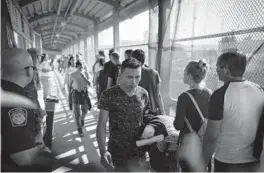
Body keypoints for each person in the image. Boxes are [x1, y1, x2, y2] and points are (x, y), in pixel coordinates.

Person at [96, 58, 168, 172]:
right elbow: (101, 124)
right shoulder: (109, 95)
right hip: (118, 154)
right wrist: (102, 151)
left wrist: (153, 127)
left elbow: (146, 116)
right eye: (130, 77)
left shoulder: (144, 93)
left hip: (141, 153)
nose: (134, 81)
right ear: (120, 74)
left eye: (137, 77)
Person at [203, 51, 264, 172]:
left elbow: (211, 137)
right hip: (255, 163)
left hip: (227, 162)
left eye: (217, 67)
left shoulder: (219, 95)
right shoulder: (260, 90)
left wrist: (203, 162)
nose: (216, 71)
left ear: (225, 70)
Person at [1, 48, 53, 172]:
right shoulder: (16, 105)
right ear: (29, 71)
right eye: (33, 68)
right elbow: (25, 159)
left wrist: (37, 124)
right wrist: (47, 153)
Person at [173, 59, 211, 171]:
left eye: (184, 73)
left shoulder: (184, 97)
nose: (183, 75)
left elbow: (178, 125)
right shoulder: (209, 93)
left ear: (189, 76)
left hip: (189, 145)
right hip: (205, 144)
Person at [131, 49, 165, 115]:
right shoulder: (154, 73)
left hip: (138, 112)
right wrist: (162, 112)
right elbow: (158, 95)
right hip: (153, 111)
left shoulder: (132, 75)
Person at [70, 61, 91, 137]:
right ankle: (79, 129)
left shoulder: (85, 73)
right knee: (77, 113)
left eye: (82, 67)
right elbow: (70, 86)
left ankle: (82, 119)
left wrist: (83, 77)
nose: (81, 68)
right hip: (76, 93)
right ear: (76, 67)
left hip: (84, 93)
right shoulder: (72, 75)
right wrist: (70, 98)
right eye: (79, 67)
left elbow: (89, 84)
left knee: (85, 109)